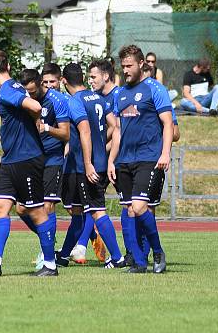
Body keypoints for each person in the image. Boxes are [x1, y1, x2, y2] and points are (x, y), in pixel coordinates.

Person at [0, 50, 57, 277]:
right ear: (7, 64)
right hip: (10, 159)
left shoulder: (8, 89)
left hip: (26, 158)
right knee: (1, 207)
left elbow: (36, 107)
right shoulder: (15, 86)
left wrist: (37, 119)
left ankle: (51, 265)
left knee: (35, 211)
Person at [107, 45, 173, 273]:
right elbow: (116, 130)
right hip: (124, 159)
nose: (125, 70)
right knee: (128, 210)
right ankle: (138, 262)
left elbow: (168, 124)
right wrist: (111, 160)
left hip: (149, 158)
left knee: (139, 206)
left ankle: (157, 251)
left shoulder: (155, 89)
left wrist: (165, 153)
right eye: (123, 66)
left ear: (142, 63)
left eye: (129, 66)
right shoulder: (120, 93)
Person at [60, 63, 125, 268]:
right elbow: (114, 125)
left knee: (97, 211)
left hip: (87, 166)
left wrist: (88, 163)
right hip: (99, 162)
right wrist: (100, 144)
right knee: (78, 211)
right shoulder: (97, 97)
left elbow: (85, 131)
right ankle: (62, 256)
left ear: (63, 81)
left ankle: (117, 258)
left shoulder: (75, 101)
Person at [15, 68, 70, 269]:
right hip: (30, 159)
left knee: (48, 206)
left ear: (40, 84)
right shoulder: (22, 99)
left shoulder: (57, 100)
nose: (29, 96)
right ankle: (47, 238)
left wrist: (46, 128)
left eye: (32, 91)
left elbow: (66, 134)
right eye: (26, 92)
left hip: (52, 159)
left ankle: (46, 254)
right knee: (21, 208)